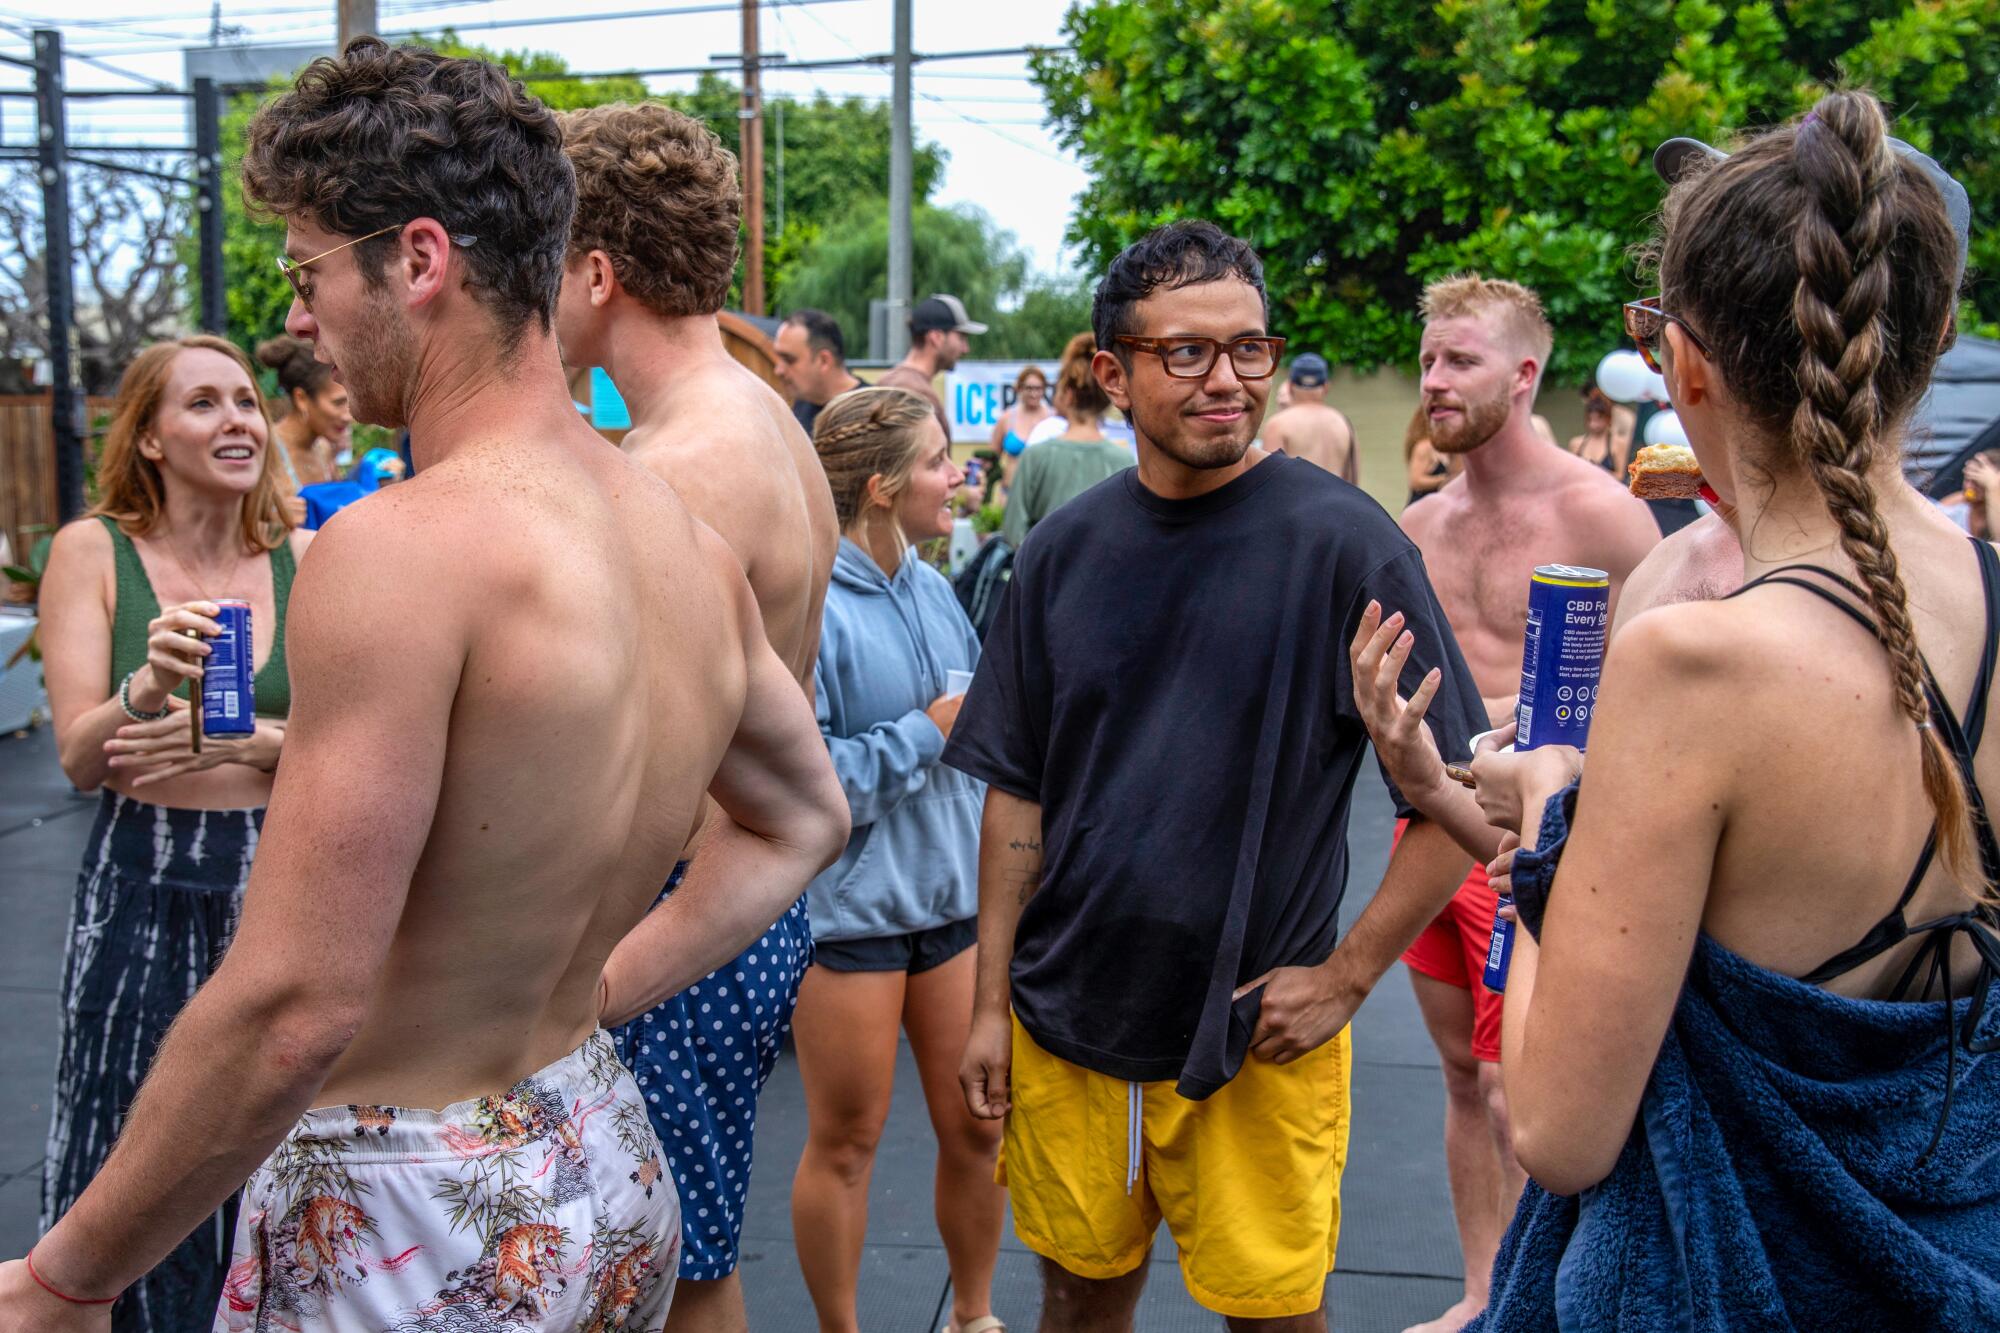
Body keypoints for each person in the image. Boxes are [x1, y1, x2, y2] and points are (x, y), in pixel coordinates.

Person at [0, 40, 850, 1331]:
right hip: (595, 1148)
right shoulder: (681, 542)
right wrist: (598, 989)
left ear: (418, 259)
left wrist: (69, 1276)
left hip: (417, 1211)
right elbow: (805, 818)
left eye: (306, 274)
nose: (297, 320)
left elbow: (297, 1002)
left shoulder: (398, 550)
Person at [1371, 94, 1999, 1331]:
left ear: (1683, 362)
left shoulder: (1696, 664)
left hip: (1728, 1278)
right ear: (1924, 340)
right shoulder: (1983, 595)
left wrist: (1551, 803)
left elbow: (1555, 1127)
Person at [946, 219, 1489, 1330]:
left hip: (1255, 1032)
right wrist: (985, 1005)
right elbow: (1017, 794)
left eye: (1246, 349)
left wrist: (1344, 976)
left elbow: (1457, 805)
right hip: (1065, 1022)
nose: (1226, 380)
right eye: (1184, 352)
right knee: (1077, 1306)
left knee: (1272, 1320)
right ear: (1112, 370)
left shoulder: (1347, 546)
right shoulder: (1060, 555)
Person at [555, 100, 841, 1333]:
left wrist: (593, 984)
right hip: (722, 904)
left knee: (669, 1265)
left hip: (686, 914)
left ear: (596, 270)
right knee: (688, 1252)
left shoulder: (690, 466)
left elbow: (659, 774)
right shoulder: (745, 416)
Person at [1391, 274, 1659, 1333]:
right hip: (1428, 834)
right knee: (1462, 1078)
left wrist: (1510, 725)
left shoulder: (1602, 514)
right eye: (1426, 360)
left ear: (1523, 373)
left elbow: (1657, 689)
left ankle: (1544, 1302)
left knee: (1524, 1094)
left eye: (1457, 360)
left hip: (1538, 843)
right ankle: (1477, 1291)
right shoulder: (1414, 523)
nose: (1433, 380)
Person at [29, 334, 309, 1333]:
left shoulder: (303, 557)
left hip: (275, 876)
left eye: (245, 401)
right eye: (203, 404)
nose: (236, 420)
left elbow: (346, 746)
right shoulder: (90, 551)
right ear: (149, 436)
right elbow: (74, 756)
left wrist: (259, 739)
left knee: (272, 1146)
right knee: (122, 1128)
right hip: (139, 876)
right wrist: (142, 691)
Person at [786, 386, 1004, 1333]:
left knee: (981, 1128)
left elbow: (979, 740)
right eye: (937, 462)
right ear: (881, 485)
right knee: (846, 1143)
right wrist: (924, 733)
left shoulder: (934, 584)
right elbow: (808, 784)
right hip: (852, 920)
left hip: (953, 908)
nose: (956, 478)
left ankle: (974, 1315)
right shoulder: (811, 607)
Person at [1000, 333, 1132, 548]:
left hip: (1044, 579)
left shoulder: (1036, 457)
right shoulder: (1123, 462)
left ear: (1068, 393)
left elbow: (1014, 531)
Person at [255, 334, 350, 522]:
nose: (348, 415)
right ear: (301, 399)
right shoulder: (264, 449)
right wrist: (268, 518)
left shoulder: (323, 448)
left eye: (349, 402)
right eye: (338, 403)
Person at [879, 293, 985, 444]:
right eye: (961, 337)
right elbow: (912, 465)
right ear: (936, 337)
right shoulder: (914, 392)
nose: (965, 349)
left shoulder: (892, 380)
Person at [1261, 353, 1358, 483]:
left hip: (1297, 503)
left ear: (1290, 386)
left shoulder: (1278, 424)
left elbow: (1268, 482)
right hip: (1339, 503)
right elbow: (1354, 482)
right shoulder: (1344, 424)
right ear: (1326, 386)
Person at [774, 307, 863, 436]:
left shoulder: (872, 413)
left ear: (824, 361)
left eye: (789, 360)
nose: (779, 370)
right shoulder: (802, 405)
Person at [989, 364, 1054, 495]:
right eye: (1029, 388)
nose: (1034, 393)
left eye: (1038, 388)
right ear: (1019, 388)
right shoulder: (1006, 418)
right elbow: (992, 458)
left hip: (1044, 494)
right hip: (1010, 492)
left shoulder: (1053, 418)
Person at [1405, 404, 1458, 506]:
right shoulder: (1425, 446)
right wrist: (1444, 479)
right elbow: (1416, 481)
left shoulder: (1451, 446)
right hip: (1422, 506)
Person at [1564, 387, 1623, 475]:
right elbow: (1568, 473)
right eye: (1590, 419)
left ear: (1608, 418)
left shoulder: (1618, 443)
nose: (1594, 424)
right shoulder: (1576, 443)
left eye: (1598, 419)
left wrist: (1597, 472)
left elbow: (1620, 476)